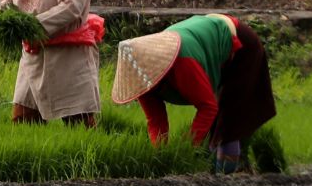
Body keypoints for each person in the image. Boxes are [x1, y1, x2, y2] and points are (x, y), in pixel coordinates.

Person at [111, 14, 277, 173]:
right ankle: (222, 170)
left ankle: (227, 178)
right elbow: (156, 121)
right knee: (215, 127)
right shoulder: (141, 80)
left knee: (228, 122)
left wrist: (185, 149)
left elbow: (208, 107)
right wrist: (161, 157)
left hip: (239, 42)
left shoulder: (182, 63)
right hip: (205, 40)